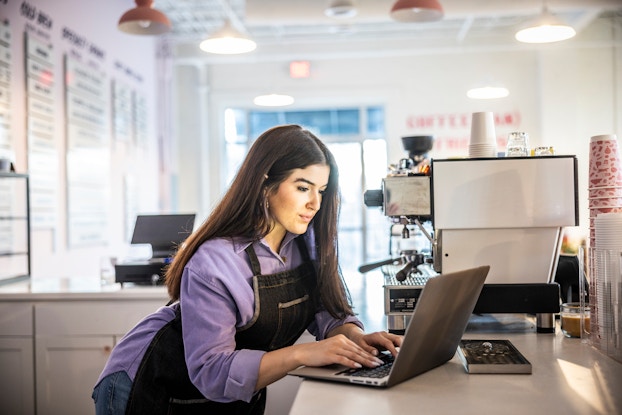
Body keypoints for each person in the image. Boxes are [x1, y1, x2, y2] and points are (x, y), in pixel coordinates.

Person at [92, 124, 402, 415]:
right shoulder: (215, 259)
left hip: (231, 395)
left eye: (321, 190)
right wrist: (302, 354)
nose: (315, 204)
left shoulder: (307, 245)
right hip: (149, 383)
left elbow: (328, 312)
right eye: (303, 187)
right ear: (265, 183)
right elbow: (211, 372)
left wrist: (354, 339)